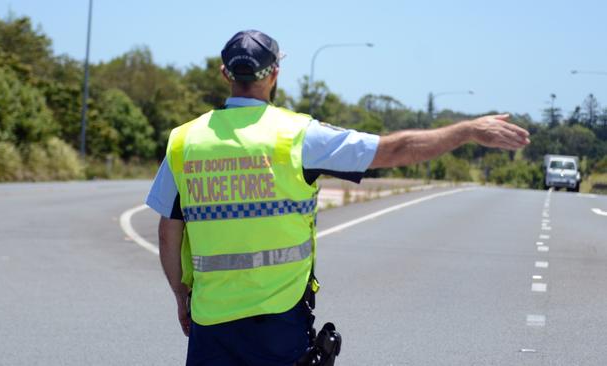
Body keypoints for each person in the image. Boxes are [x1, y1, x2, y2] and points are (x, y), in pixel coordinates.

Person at [145, 30, 530, 366]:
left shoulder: (186, 141)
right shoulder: (298, 136)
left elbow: (168, 232)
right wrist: (466, 131)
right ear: (275, 74)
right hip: (278, 322)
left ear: (225, 73)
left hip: (211, 322)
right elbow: (394, 150)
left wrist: (182, 296)